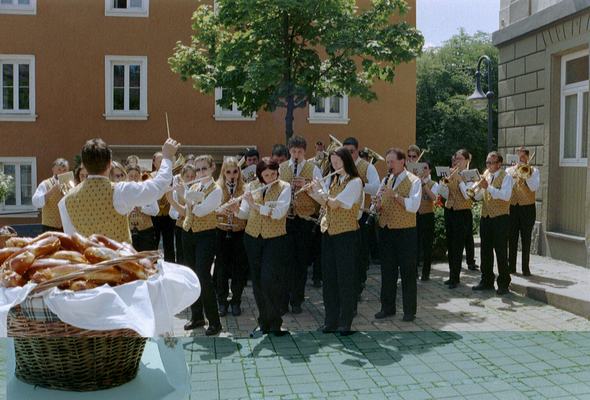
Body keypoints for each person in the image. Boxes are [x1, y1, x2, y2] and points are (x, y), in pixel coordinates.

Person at [58, 138, 179, 244]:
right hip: (119, 267)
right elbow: (158, 186)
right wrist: (167, 158)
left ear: (83, 164)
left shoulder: (65, 200)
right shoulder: (120, 191)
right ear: (110, 164)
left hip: (90, 267)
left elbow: (72, 240)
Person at [307, 146, 362, 336]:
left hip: (346, 234)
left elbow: (335, 203)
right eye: (332, 161)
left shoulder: (355, 182)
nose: (334, 164)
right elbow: (325, 203)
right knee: (329, 278)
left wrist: (320, 192)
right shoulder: (335, 180)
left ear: (346, 161)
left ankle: (345, 321)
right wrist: (313, 191)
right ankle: (330, 321)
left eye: (338, 161)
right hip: (329, 232)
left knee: (345, 279)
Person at [233, 159, 291, 336]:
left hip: (274, 240)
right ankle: (263, 322)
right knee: (257, 282)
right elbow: (245, 213)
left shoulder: (285, 187)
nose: (270, 178)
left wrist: (255, 206)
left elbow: (279, 213)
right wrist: (235, 210)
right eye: (266, 175)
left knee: (269, 280)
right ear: (259, 176)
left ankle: (275, 322)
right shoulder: (251, 186)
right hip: (252, 238)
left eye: (273, 174)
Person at [374, 148, 421, 322]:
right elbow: (380, 203)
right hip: (386, 230)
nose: (389, 165)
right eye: (387, 162)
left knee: (408, 272)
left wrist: (394, 195)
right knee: (387, 271)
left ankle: (409, 311)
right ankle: (387, 307)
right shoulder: (386, 179)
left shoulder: (414, 181)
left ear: (403, 162)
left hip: (405, 231)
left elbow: (413, 206)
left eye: (392, 162)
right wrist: (377, 205)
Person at [279, 135, 322, 314]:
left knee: (301, 261)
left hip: (304, 220)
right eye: (294, 151)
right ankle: (285, 299)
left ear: (305, 152)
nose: (297, 154)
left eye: (300, 151)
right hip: (287, 220)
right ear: (289, 151)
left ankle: (297, 300)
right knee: (286, 261)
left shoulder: (313, 169)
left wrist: (306, 186)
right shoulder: (281, 168)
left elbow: (321, 194)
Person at [180, 155, 223, 335]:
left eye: (204, 169)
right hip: (188, 233)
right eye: (197, 170)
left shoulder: (216, 189)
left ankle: (214, 321)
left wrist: (190, 200)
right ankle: (197, 316)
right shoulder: (195, 186)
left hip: (206, 235)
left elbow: (201, 210)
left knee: (203, 276)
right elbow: (186, 209)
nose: (200, 173)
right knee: (190, 276)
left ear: (212, 168)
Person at [341, 137, 380, 301]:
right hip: (343, 215)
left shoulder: (367, 166)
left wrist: (359, 184)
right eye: (346, 152)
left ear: (357, 151)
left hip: (362, 214)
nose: (349, 154)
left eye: (351, 151)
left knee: (360, 252)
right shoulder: (340, 166)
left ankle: (358, 285)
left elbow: (376, 187)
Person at [472, 152, 513, 295]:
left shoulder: (506, 177)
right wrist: (474, 191)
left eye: (491, 162)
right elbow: (479, 196)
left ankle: (503, 283)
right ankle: (487, 280)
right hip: (486, 217)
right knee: (485, 251)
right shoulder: (486, 175)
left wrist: (487, 187)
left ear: (499, 164)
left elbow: (505, 196)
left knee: (501, 251)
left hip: (500, 218)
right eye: (487, 162)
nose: (488, 165)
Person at [215, 157, 249, 317]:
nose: (232, 175)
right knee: (221, 268)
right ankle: (222, 301)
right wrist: (222, 209)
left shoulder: (245, 188)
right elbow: (212, 210)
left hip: (239, 231)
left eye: (235, 171)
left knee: (239, 268)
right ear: (223, 173)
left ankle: (236, 300)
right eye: (228, 172)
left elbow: (247, 211)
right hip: (221, 231)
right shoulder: (217, 187)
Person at [438, 149, 472, 289]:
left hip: (462, 212)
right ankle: (452, 275)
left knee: (458, 246)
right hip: (449, 210)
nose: (456, 161)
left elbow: (467, 195)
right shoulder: (451, 173)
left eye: (460, 159)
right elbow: (443, 194)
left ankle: (455, 277)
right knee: (450, 245)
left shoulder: (470, 175)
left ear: (466, 161)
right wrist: (444, 184)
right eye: (456, 158)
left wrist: (459, 180)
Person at [507, 147, 540, 276]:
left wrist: (526, 174)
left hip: (527, 208)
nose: (521, 159)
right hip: (513, 207)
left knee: (526, 239)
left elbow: (534, 187)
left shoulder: (534, 171)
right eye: (519, 156)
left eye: (523, 157)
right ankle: (511, 266)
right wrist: (514, 173)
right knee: (512, 237)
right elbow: (508, 187)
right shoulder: (509, 170)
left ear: (527, 157)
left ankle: (525, 268)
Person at [167, 163, 197, 266]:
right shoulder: (177, 191)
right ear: (182, 177)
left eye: (192, 176)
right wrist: (179, 215)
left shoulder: (198, 189)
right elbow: (171, 212)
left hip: (195, 227)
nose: (190, 179)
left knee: (192, 256)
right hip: (180, 227)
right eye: (187, 176)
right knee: (181, 255)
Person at [151, 151, 177, 262]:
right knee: (153, 242)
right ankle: (152, 265)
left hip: (168, 214)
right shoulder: (149, 176)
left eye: (164, 161)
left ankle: (170, 265)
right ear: (154, 162)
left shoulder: (171, 176)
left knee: (169, 243)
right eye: (160, 161)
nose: (162, 163)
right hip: (154, 214)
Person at [126, 165, 159, 251]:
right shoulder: (122, 192)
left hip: (146, 232)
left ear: (140, 176)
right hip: (128, 231)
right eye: (131, 176)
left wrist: (142, 208)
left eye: (136, 175)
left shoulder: (147, 190)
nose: (133, 178)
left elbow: (155, 211)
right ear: (127, 177)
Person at [32, 158, 70, 232]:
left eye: (64, 170)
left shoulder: (70, 185)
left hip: (66, 227)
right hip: (49, 227)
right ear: (53, 170)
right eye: (59, 170)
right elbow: (36, 202)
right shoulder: (45, 184)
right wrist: (52, 190)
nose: (61, 173)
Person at [416, 161, 439, 281]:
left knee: (427, 246)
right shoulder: (414, 182)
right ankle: (413, 271)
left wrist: (423, 184)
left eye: (425, 168)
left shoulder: (433, 183)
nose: (423, 170)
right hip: (415, 216)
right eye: (421, 168)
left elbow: (434, 198)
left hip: (427, 216)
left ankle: (426, 273)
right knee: (414, 244)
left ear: (429, 170)